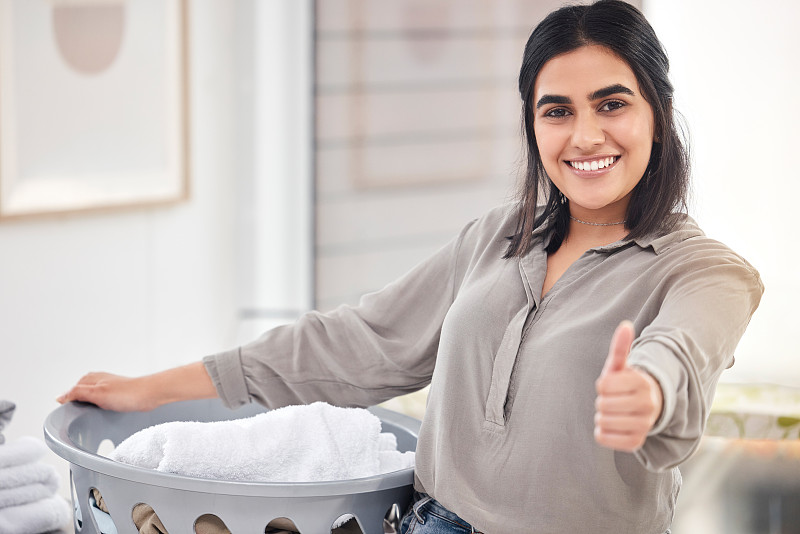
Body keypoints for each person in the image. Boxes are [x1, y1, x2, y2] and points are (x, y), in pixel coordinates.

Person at [59, 1, 764, 532]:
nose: (584, 135)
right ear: (532, 125)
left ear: (659, 114)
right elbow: (358, 341)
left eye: (612, 104)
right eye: (557, 111)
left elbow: (677, 358)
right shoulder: (497, 239)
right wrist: (150, 389)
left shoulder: (707, 274)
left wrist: (646, 395)